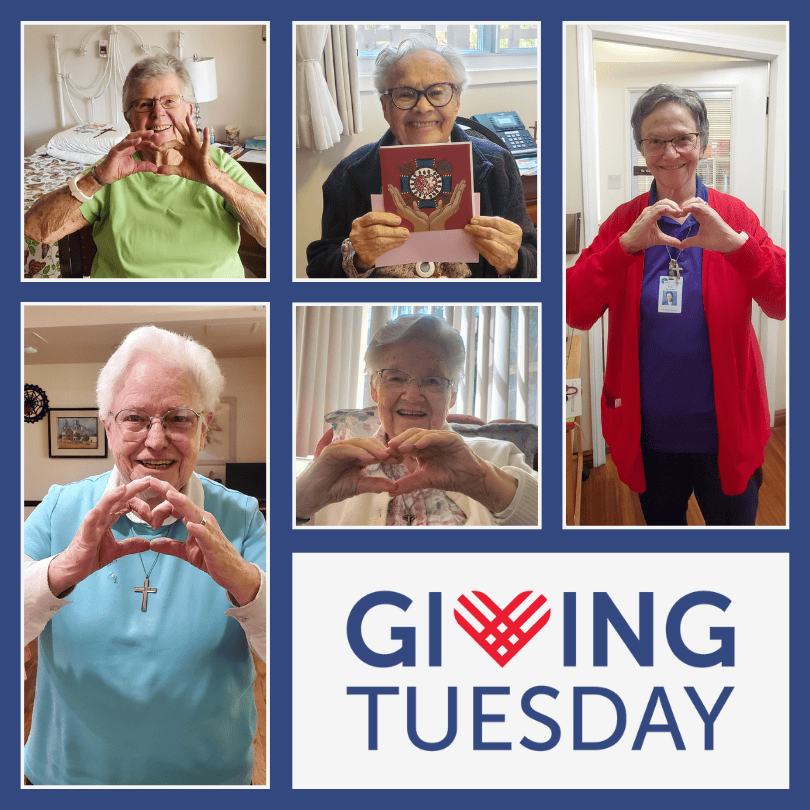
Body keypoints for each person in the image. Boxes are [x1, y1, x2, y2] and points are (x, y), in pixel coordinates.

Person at [24, 326, 266, 784]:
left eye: (178, 418)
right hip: (66, 780)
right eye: (135, 418)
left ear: (204, 427)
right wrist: (60, 571)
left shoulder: (244, 518)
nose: (156, 441)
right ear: (108, 426)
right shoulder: (58, 508)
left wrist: (242, 579)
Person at [567, 84, 785, 526]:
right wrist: (624, 248)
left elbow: (782, 300)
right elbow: (576, 310)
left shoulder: (734, 216)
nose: (669, 153)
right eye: (655, 141)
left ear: (701, 144)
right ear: (642, 149)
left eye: (682, 139)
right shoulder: (625, 222)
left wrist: (738, 247)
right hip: (650, 436)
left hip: (725, 431)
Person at [306, 33, 536, 278]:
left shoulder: (498, 165)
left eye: (437, 92)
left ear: (456, 101)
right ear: (385, 106)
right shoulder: (348, 174)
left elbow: (534, 258)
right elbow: (319, 269)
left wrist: (513, 260)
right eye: (405, 94)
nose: (423, 107)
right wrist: (357, 258)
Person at [24, 54, 266, 278]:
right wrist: (94, 180)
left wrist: (216, 178)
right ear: (129, 118)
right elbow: (36, 230)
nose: (158, 113)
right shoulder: (111, 169)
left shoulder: (216, 163)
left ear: (189, 110)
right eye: (143, 104)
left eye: (170, 101)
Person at [296, 314, 538, 525]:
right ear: (374, 388)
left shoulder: (501, 456)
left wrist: (484, 482)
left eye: (432, 380)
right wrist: (300, 500)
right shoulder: (335, 468)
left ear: (451, 394)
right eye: (395, 378)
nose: (412, 396)